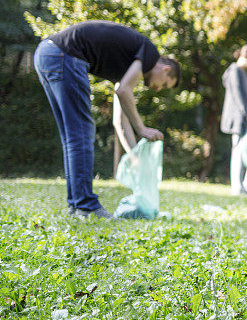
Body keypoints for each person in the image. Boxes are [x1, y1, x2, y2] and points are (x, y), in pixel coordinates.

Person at [33, 20, 181, 219]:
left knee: (73, 136)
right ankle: (86, 206)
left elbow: (120, 120)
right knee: (82, 134)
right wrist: (142, 128)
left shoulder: (128, 66)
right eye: (164, 84)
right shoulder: (149, 53)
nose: (158, 89)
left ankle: (76, 206)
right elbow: (123, 91)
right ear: (165, 70)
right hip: (63, 56)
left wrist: (133, 154)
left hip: (47, 54)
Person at [221, 43, 247, 196]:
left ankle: (246, 186)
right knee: (238, 152)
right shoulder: (234, 71)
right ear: (246, 56)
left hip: (246, 118)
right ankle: (237, 188)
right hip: (237, 119)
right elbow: (238, 96)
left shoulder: (243, 73)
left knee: (246, 152)